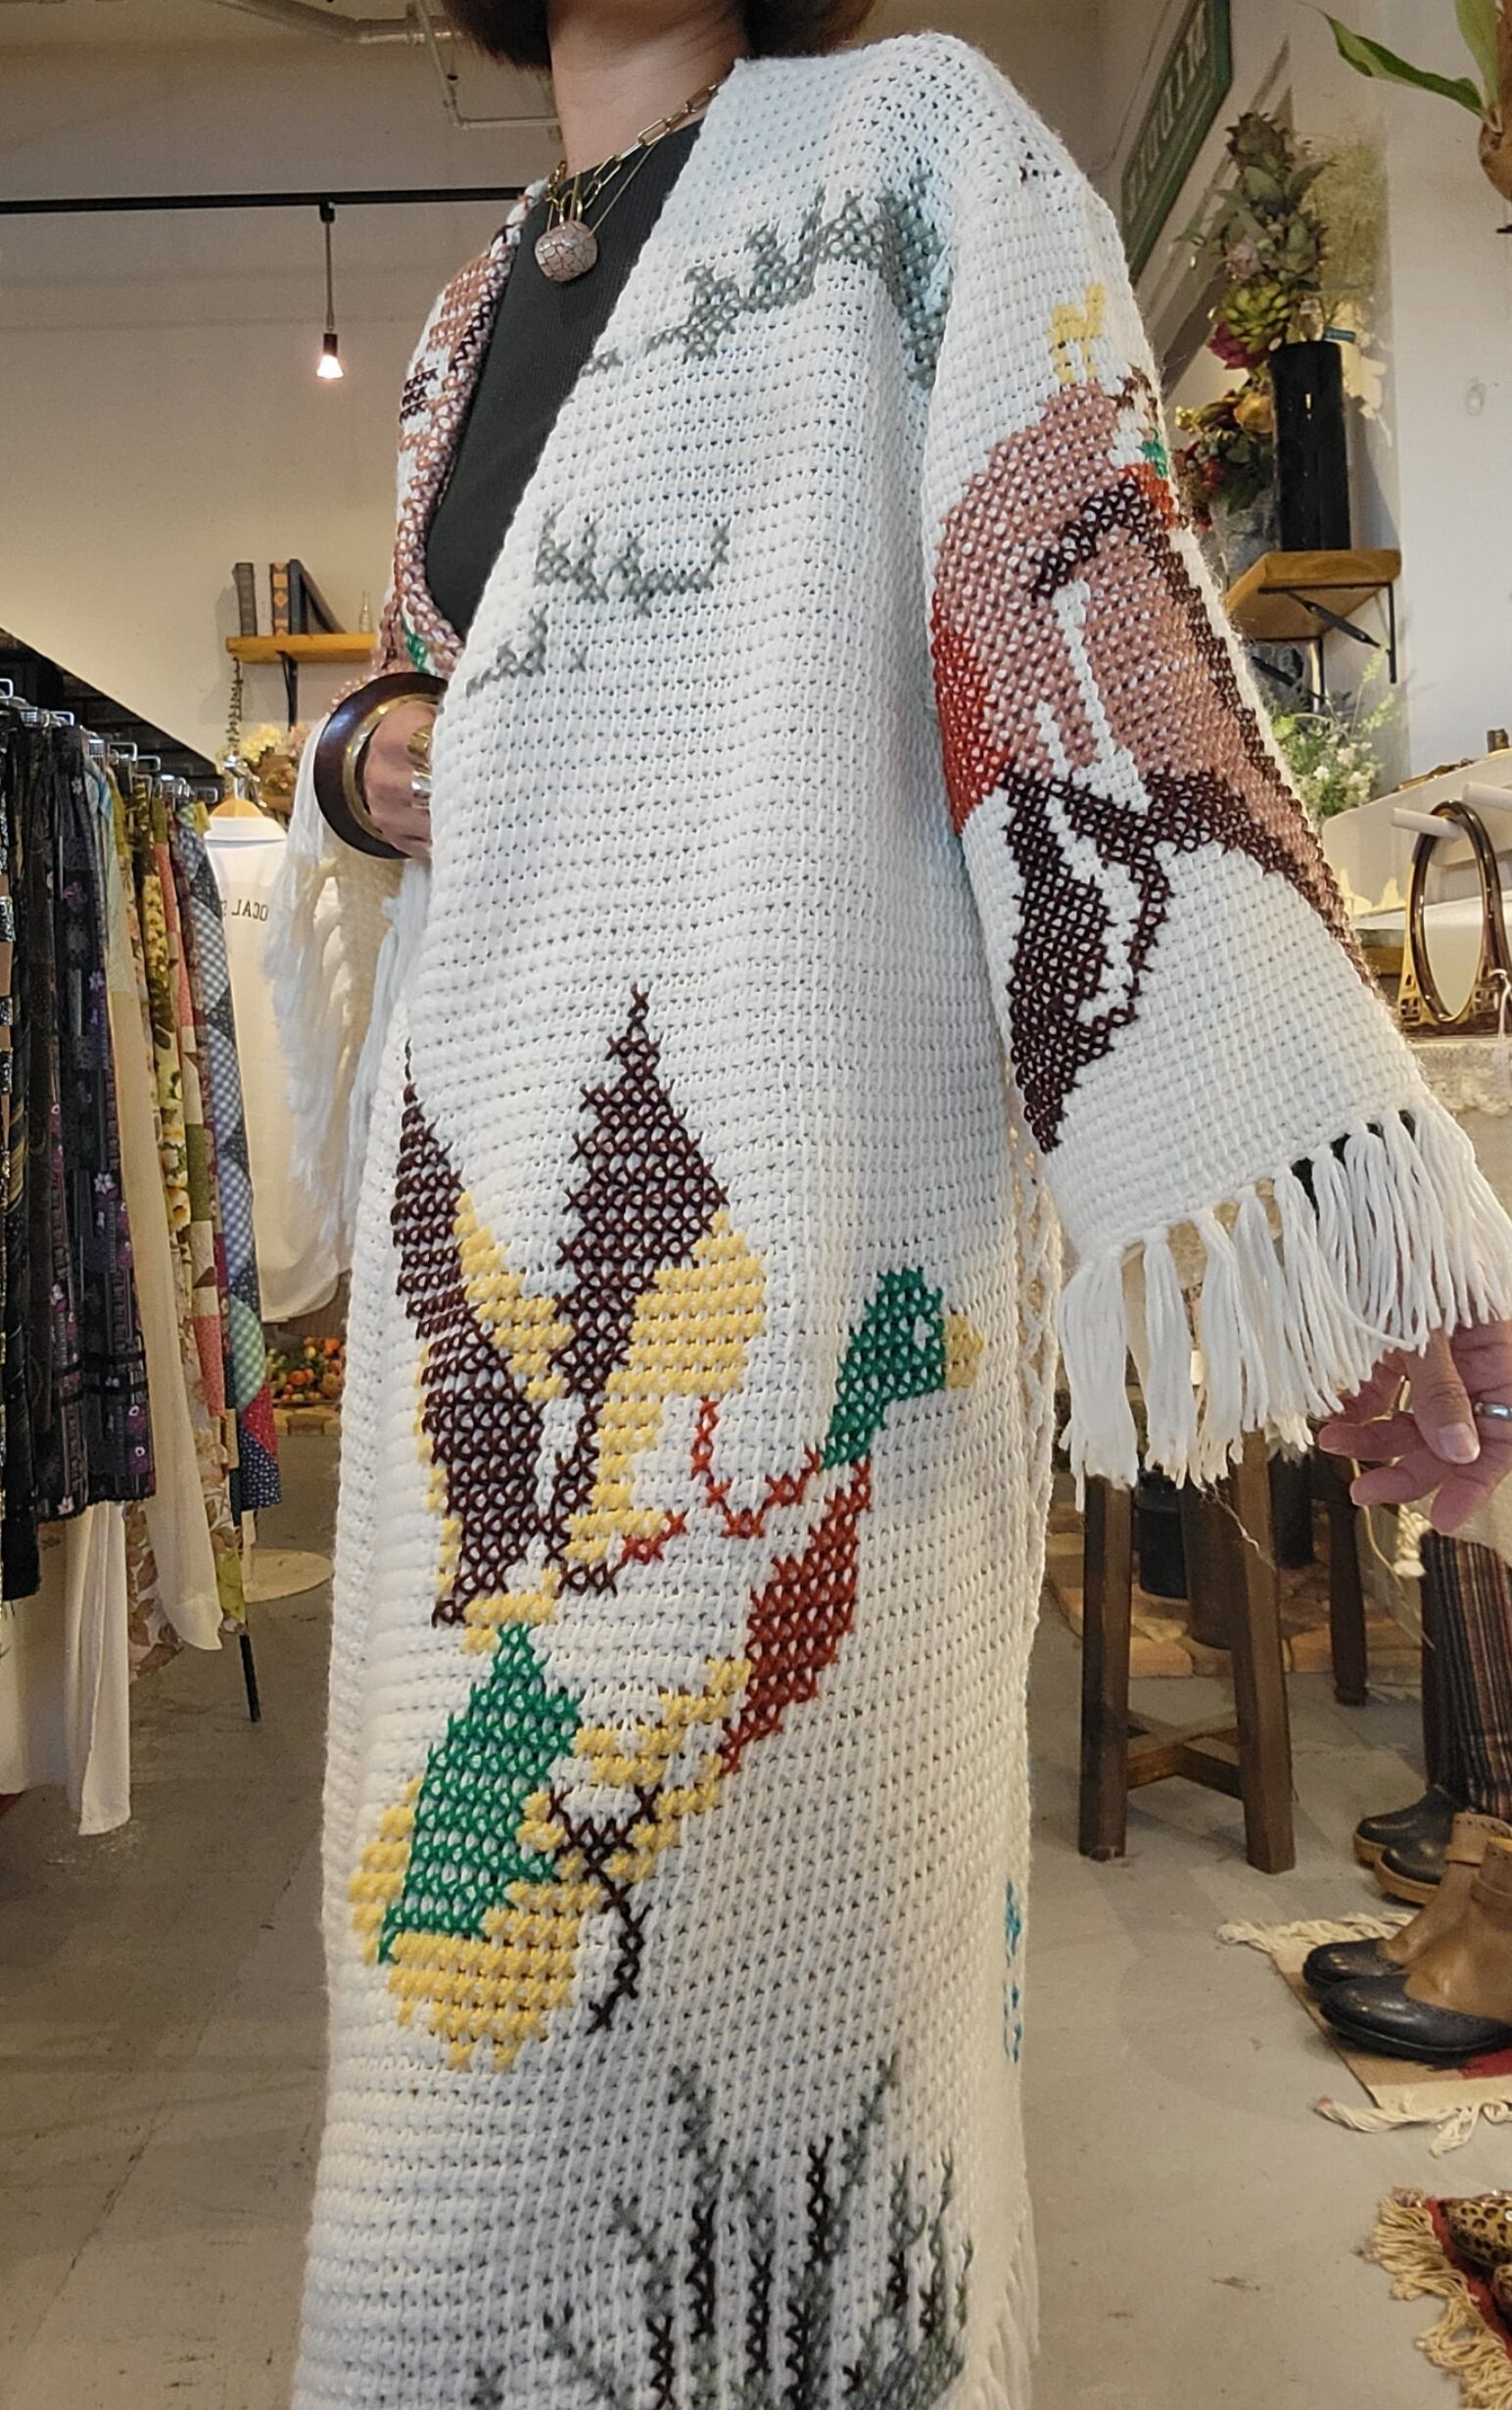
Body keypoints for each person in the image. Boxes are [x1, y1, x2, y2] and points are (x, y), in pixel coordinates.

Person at [272, 2, 1512, 2401]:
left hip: (796, 1262)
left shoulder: (908, 149)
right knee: (441, 2112)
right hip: (478, 1288)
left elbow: (1088, 632)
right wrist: (353, 757)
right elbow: (432, 694)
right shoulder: (459, 324)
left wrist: (1328, 1190)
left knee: (775, 2063)